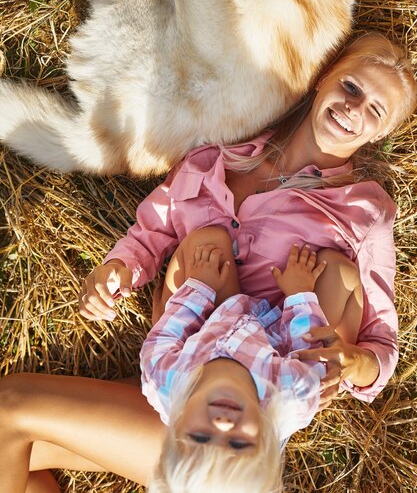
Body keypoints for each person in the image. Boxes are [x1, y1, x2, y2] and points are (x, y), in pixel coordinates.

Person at [0, 33, 415, 493]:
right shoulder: (215, 154)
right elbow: (153, 231)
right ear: (321, 79)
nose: (354, 109)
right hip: (185, 361)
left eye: (375, 110)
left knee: (9, 407)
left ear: (380, 134)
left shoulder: (364, 210)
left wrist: (354, 363)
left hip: (222, 419)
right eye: (352, 87)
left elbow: (382, 341)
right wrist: (118, 269)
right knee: (25, 455)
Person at [141, 231, 329, 493]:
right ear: (265, 442)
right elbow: (311, 349)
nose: (223, 424)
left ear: (174, 428)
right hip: (273, 336)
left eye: (200, 437)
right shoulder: (291, 394)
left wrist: (200, 286)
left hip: (220, 318)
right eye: (239, 444)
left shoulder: (163, 378)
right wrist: (299, 294)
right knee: (334, 269)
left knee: (207, 241)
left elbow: (164, 335)